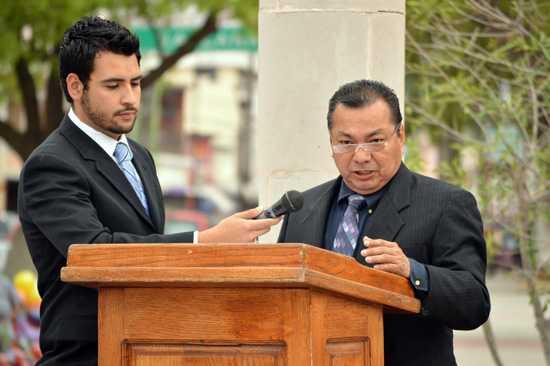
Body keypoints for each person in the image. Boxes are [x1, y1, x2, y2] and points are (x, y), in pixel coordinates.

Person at [17, 16, 281, 366]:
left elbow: (150, 252)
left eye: (136, 83)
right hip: (86, 353)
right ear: (75, 86)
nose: (130, 98)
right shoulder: (50, 165)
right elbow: (95, 253)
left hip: (148, 346)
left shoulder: (140, 156)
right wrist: (205, 243)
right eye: (113, 86)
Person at [277, 79, 490, 365]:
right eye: (346, 143)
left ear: (400, 136)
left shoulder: (446, 203)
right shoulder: (302, 209)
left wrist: (413, 272)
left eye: (376, 141)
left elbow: (474, 303)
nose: (361, 156)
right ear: (331, 142)